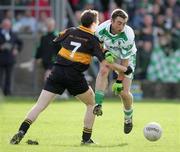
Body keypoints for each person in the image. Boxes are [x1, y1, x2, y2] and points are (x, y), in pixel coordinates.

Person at [10, 9, 132, 145]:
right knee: (92, 104)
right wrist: (124, 69)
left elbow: (55, 41)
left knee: (39, 105)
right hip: (74, 76)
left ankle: (21, 131)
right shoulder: (93, 39)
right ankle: (86, 139)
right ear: (94, 23)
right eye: (97, 21)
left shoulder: (69, 31)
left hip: (57, 71)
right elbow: (105, 63)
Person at [93, 9, 137, 134]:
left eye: (124, 23)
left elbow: (124, 62)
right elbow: (99, 45)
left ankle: (128, 117)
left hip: (127, 59)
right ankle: (98, 103)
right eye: (119, 23)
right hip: (111, 54)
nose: (121, 26)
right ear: (111, 21)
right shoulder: (100, 30)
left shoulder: (128, 35)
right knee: (103, 69)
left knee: (123, 93)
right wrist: (106, 52)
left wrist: (119, 80)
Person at [0, 18, 23, 96]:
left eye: (8, 25)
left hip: (10, 59)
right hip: (1, 58)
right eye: (5, 25)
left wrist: (16, 49)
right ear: (2, 25)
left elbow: (20, 43)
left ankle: (7, 93)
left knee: (8, 77)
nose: (6, 26)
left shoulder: (13, 34)